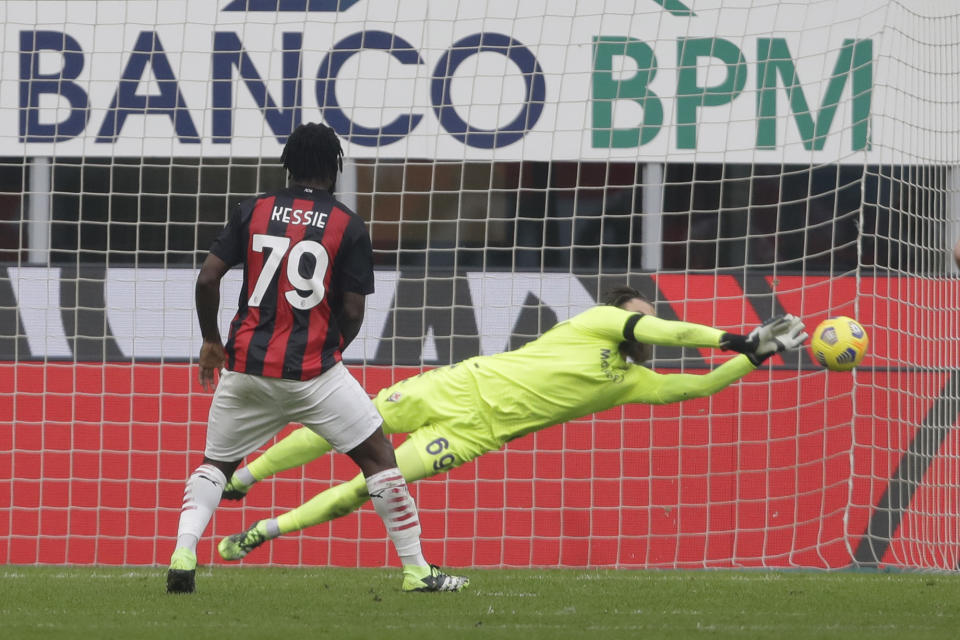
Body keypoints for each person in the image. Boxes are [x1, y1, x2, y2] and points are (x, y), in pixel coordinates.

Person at [214, 286, 807, 562]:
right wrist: (736, 335)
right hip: (457, 384)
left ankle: (263, 534)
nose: (647, 330)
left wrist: (753, 356)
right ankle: (246, 476)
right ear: (621, 316)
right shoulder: (598, 321)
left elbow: (698, 385)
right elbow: (672, 332)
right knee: (338, 426)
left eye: (646, 322)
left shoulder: (631, 382)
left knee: (365, 489)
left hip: (475, 435)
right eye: (640, 319)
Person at [166, 122, 467, 594]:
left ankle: (184, 553)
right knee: (378, 456)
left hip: (245, 369)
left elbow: (207, 279)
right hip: (314, 374)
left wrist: (211, 341)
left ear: (288, 164)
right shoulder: (349, 224)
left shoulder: (254, 209)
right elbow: (352, 309)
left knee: (215, 466)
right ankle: (417, 571)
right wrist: (327, 353)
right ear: (335, 167)